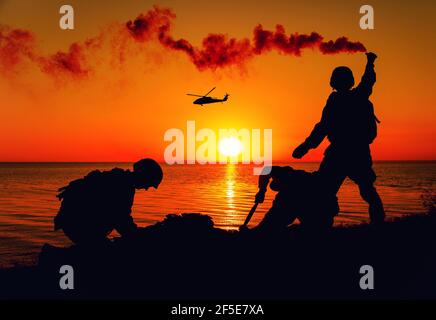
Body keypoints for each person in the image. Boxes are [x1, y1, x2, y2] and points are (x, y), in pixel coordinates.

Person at [292, 52, 385, 225]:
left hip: (342, 152)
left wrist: (305, 147)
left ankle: (323, 226)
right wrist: (370, 63)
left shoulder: (339, 100)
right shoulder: (359, 96)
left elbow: (322, 127)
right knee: (363, 190)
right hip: (356, 152)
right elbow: (368, 81)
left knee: (328, 191)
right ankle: (377, 224)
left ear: (334, 82)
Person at [54, 158, 163, 244]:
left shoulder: (121, 179)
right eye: (149, 183)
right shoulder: (122, 185)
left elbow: (121, 217)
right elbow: (120, 217)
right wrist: (136, 236)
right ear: (144, 176)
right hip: (78, 224)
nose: (147, 188)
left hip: (74, 223)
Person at [251, 166, 339, 232]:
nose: (279, 191)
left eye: (279, 188)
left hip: (322, 205)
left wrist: (262, 191)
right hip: (326, 204)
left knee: (268, 227)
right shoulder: (295, 176)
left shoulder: (287, 179)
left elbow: (266, 169)